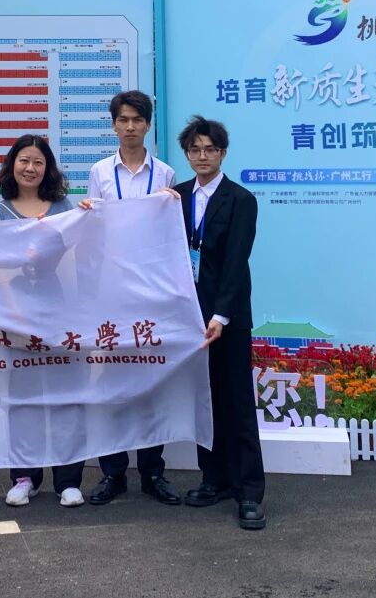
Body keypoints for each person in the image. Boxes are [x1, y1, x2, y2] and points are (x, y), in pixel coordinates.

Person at [80, 90, 181, 507]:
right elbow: (92, 231)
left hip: (152, 293)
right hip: (112, 292)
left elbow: (170, 235)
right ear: (113, 125)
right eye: (123, 120)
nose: (130, 127)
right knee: (112, 385)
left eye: (137, 120)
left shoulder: (166, 175)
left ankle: (153, 472)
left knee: (151, 384)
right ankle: (113, 473)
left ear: (148, 125)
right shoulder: (100, 171)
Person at [175, 115, 266, 530]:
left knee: (237, 403)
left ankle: (249, 492)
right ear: (187, 154)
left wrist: (220, 315)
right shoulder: (176, 197)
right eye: (195, 149)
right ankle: (214, 479)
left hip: (227, 318)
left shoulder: (240, 199)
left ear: (223, 153)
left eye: (210, 149)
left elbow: (235, 262)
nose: (202, 156)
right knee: (205, 401)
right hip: (189, 317)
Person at [0, 134, 86, 508]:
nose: (30, 168)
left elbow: (79, 254)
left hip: (58, 310)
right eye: (24, 160)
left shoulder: (63, 207)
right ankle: (24, 477)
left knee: (65, 396)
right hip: (15, 312)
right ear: (12, 165)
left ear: (48, 169)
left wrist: (88, 216)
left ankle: (68, 480)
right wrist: (11, 310)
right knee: (22, 400)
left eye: (38, 162)